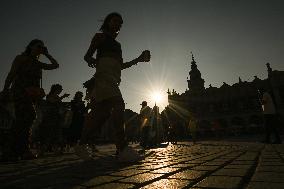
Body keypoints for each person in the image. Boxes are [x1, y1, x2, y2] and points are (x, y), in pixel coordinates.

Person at [76, 12, 151, 161]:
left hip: (113, 79)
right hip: (104, 77)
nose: (118, 25)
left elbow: (121, 65)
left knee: (100, 115)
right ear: (108, 22)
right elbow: (87, 56)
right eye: (115, 21)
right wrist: (92, 60)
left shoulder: (118, 45)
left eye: (120, 23)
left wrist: (138, 59)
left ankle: (81, 144)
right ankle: (122, 148)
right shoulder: (100, 37)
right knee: (119, 105)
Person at [1, 39, 59, 161]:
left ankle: (15, 150)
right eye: (38, 46)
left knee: (24, 120)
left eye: (42, 47)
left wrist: (47, 54)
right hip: (20, 92)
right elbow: (11, 74)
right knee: (27, 117)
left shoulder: (37, 63)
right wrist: (6, 89)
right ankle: (18, 150)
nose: (40, 48)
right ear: (30, 47)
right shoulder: (21, 58)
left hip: (31, 95)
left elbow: (55, 65)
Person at [38, 84, 70, 156]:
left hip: (57, 117)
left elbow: (58, 105)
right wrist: (62, 97)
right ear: (56, 89)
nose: (61, 91)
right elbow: (52, 101)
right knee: (47, 134)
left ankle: (55, 150)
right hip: (50, 117)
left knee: (56, 134)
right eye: (60, 89)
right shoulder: (49, 96)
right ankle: (41, 151)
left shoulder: (57, 97)